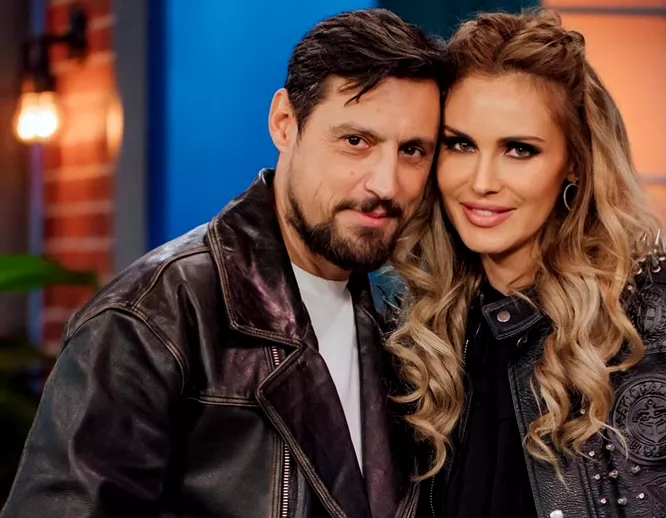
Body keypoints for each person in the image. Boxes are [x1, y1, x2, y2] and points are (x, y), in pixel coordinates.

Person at [1, 8, 446, 518]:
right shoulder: (151, 318)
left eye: (413, 151)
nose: (386, 184)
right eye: (356, 141)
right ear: (285, 123)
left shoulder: (400, 325)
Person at [383, 8, 666, 518]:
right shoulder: (418, 331)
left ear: (575, 163)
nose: (482, 181)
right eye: (461, 145)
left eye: (519, 150)